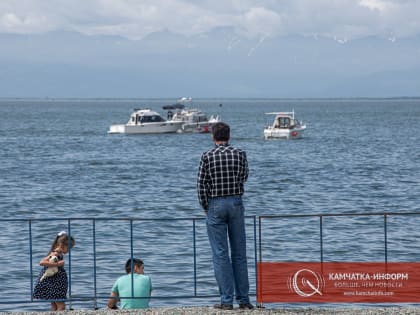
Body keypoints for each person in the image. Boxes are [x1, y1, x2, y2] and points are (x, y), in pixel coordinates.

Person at [197, 122, 254, 310]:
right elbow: (244, 176)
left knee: (220, 254)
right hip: (236, 203)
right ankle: (244, 300)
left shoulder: (207, 156)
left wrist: (207, 206)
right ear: (229, 136)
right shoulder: (240, 153)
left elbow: (201, 185)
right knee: (239, 253)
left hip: (215, 204)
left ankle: (226, 301)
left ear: (213, 137)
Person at [33, 231, 75, 311]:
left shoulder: (58, 253)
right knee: (61, 306)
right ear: (62, 245)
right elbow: (42, 262)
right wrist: (58, 264)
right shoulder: (55, 253)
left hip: (54, 283)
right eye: (69, 248)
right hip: (54, 284)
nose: (69, 250)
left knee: (54, 306)